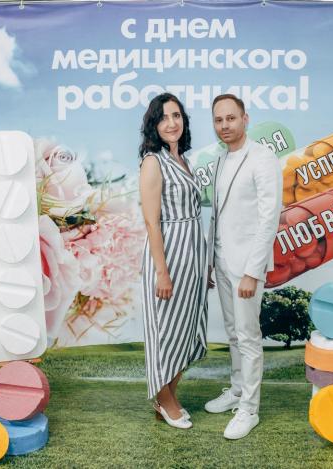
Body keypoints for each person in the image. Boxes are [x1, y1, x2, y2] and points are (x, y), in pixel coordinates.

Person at [205, 94, 282, 439]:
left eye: (231, 118)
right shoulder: (222, 158)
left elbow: (269, 218)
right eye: (218, 120)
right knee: (233, 332)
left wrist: (253, 271)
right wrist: (211, 261)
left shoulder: (262, 157)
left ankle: (249, 409)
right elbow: (218, 215)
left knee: (248, 337)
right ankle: (237, 391)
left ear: (245, 119)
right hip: (222, 261)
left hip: (247, 266)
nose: (225, 125)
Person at [139, 93, 208, 430]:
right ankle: (165, 399)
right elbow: (152, 221)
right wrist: (162, 272)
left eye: (176, 115)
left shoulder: (183, 160)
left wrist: (204, 263)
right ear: (154, 125)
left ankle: (166, 397)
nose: (171, 123)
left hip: (192, 256)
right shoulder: (153, 162)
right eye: (164, 117)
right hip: (168, 256)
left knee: (186, 328)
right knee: (166, 331)